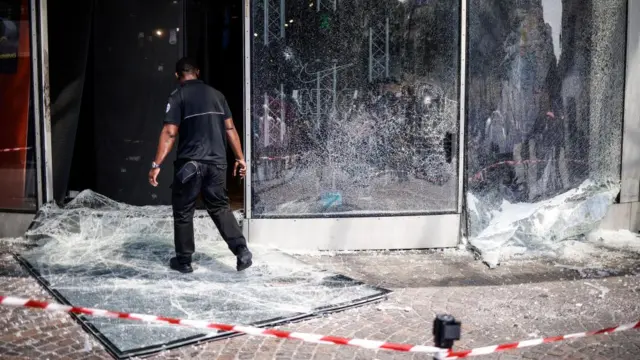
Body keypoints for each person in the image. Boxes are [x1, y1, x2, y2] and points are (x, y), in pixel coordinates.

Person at [148, 57, 252, 273]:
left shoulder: (177, 96)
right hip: (217, 163)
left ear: (178, 76)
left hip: (191, 165)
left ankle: (184, 261)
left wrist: (156, 163)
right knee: (220, 207)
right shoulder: (217, 95)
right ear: (197, 72)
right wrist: (241, 158)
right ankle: (241, 250)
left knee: (184, 210)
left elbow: (169, 132)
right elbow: (230, 129)